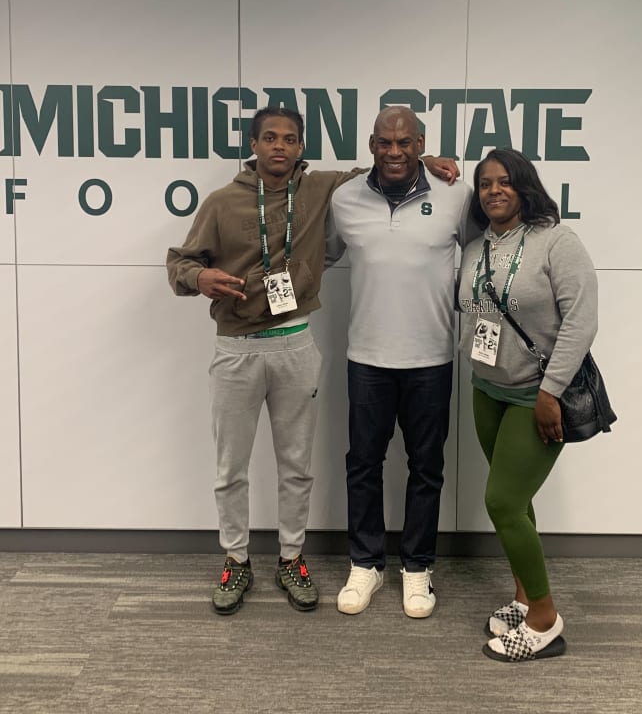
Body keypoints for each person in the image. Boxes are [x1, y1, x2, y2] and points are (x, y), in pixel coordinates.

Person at [166, 106, 458, 616]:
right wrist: (198, 279)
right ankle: (238, 559)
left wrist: (431, 159)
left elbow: (391, 166)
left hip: (300, 344)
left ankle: (295, 558)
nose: (280, 146)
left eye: (291, 139)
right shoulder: (223, 202)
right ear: (253, 144)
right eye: (270, 138)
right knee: (231, 467)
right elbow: (180, 263)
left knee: (299, 467)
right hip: (239, 347)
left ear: (301, 147)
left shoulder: (325, 188)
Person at [326, 105, 476, 619]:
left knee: (426, 468)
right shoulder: (344, 198)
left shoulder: (454, 193)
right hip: (366, 357)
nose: (395, 152)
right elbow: (316, 253)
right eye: (385, 143)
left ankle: (417, 569)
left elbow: (482, 257)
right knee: (362, 464)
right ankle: (366, 564)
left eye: (406, 143)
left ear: (420, 143)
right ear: (371, 145)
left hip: (431, 358)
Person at [456, 148, 598, 662]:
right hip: (487, 390)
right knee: (519, 501)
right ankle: (522, 594)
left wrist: (550, 392)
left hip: (534, 395)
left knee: (503, 503)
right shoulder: (477, 247)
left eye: (504, 182)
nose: (494, 191)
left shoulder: (557, 241)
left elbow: (581, 321)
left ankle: (544, 617)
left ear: (524, 185)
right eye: (485, 184)